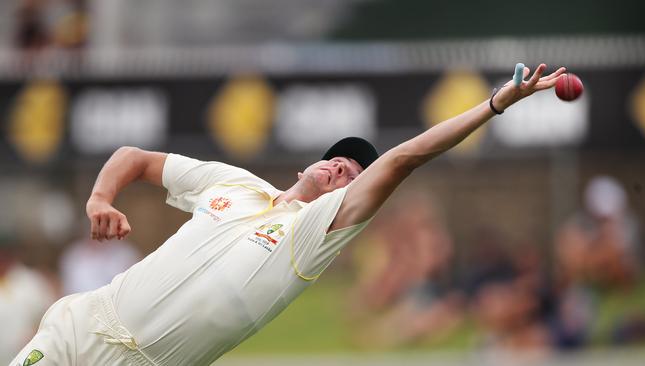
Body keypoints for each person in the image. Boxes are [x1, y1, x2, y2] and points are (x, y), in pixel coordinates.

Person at [12, 63, 565, 366]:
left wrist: (492, 105)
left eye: (353, 174)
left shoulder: (313, 235)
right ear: (314, 162)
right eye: (338, 160)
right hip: (79, 327)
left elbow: (403, 159)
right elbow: (133, 158)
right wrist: (100, 199)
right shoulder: (234, 184)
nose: (341, 170)